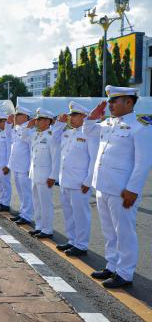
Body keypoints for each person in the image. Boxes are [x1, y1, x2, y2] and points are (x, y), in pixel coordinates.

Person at [83, 86, 152, 288]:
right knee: (109, 230)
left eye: (114, 101)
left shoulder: (141, 127)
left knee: (124, 232)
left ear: (129, 102)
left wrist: (133, 189)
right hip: (104, 186)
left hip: (123, 190)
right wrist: (92, 116)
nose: (110, 105)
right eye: (110, 101)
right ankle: (112, 265)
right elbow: (88, 131)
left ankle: (125, 272)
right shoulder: (107, 123)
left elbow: (143, 162)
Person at [53, 102, 99, 257]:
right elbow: (54, 139)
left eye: (74, 115)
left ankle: (81, 245)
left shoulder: (89, 134)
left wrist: (88, 181)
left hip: (80, 182)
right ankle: (72, 240)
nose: (70, 118)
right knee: (69, 213)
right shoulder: (67, 133)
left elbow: (94, 159)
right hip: (65, 180)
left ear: (84, 117)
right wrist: (59, 124)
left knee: (81, 214)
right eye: (70, 115)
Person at [21, 108, 60, 239]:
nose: (37, 121)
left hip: (45, 176)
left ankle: (47, 229)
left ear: (48, 121)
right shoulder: (36, 135)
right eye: (37, 119)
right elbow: (23, 136)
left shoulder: (52, 136)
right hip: (35, 174)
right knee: (37, 202)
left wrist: (53, 176)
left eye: (40, 119)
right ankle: (39, 226)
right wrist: (28, 125)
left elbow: (56, 158)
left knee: (46, 204)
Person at [6, 106, 34, 225]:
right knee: (21, 192)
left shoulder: (30, 129)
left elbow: (32, 150)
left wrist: (30, 168)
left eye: (18, 115)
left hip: (24, 166)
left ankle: (27, 215)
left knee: (26, 192)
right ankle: (23, 213)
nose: (15, 117)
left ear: (26, 117)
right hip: (16, 165)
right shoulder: (17, 128)